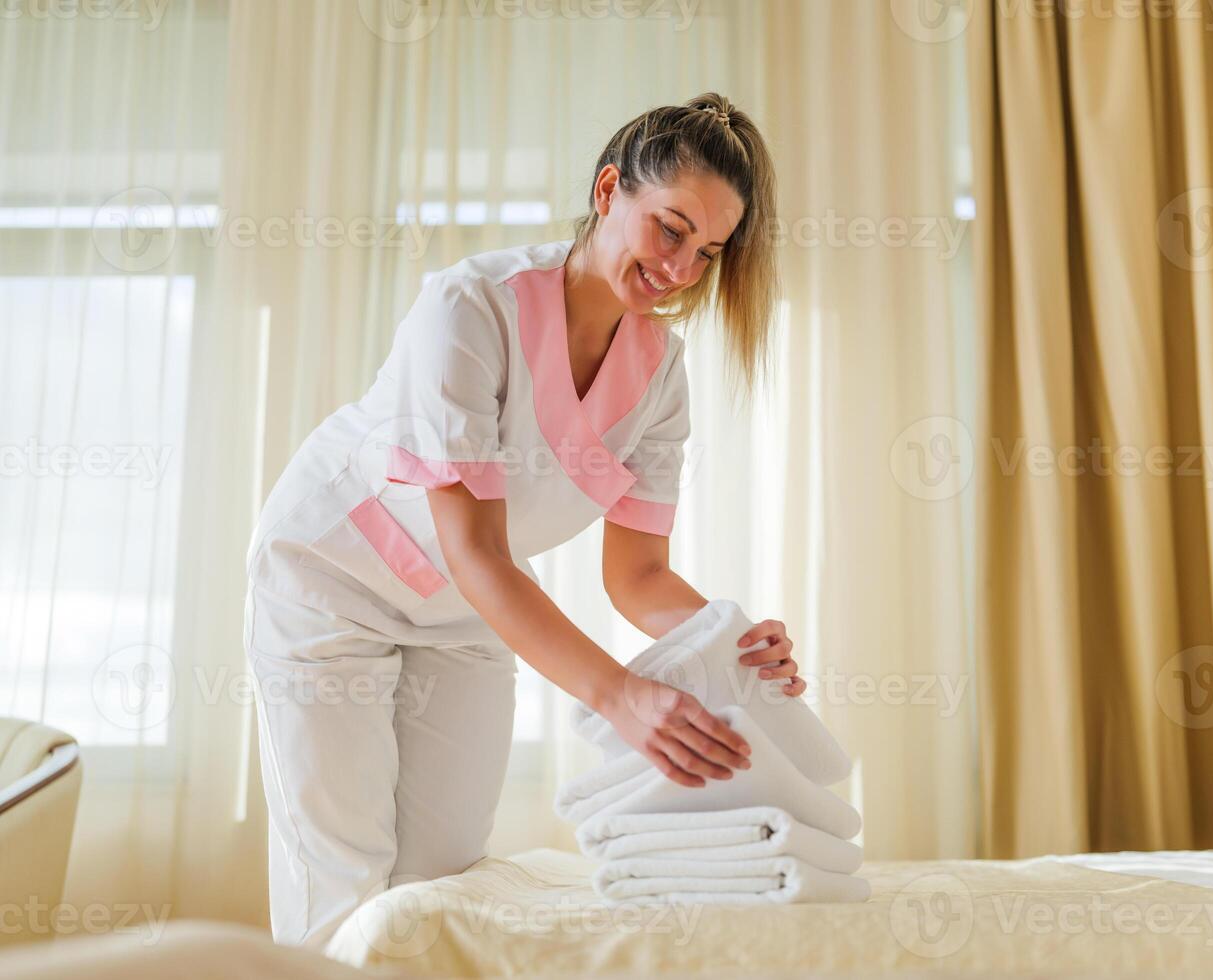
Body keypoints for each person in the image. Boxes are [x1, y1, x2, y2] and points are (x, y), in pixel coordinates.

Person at [242, 92, 806, 947]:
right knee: (345, 883)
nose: (683, 269)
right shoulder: (468, 309)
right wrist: (619, 696)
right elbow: (475, 548)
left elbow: (638, 576)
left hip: (465, 617)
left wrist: (729, 642)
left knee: (436, 886)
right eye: (671, 228)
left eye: (709, 252)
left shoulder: (660, 373)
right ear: (609, 188)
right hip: (330, 585)